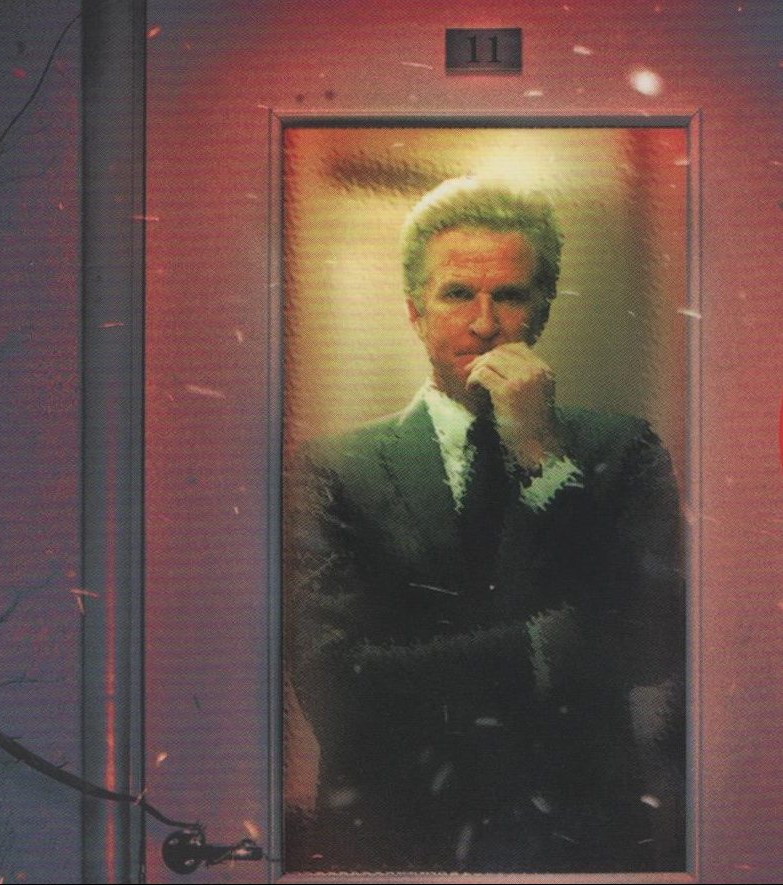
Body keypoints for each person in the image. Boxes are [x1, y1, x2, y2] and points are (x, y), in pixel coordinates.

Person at [283, 178, 685, 873]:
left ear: (544, 308)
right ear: (414, 311)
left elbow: (652, 640)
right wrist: (547, 649)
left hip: (580, 844)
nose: (484, 323)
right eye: (457, 294)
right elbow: (337, 689)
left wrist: (541, 454)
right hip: (394, 840)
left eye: (511, 296)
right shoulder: (333, 468)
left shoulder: (621, 449)